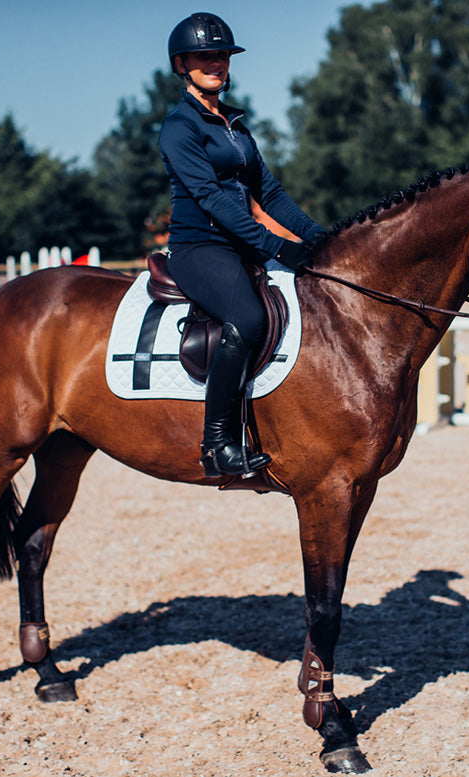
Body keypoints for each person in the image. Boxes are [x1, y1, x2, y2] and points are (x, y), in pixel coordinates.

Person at [160, 12, 327, 478]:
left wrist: (315, 234)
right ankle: (217, 444)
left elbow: (268, 193)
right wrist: (275, 245)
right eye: (204, 56)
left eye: (222, 56)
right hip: (201, 247)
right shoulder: (180, 128)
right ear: (181, 65)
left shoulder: (235, 126)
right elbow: (212, 199)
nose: (216, 63)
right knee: (248, 317)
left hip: (240, 244)